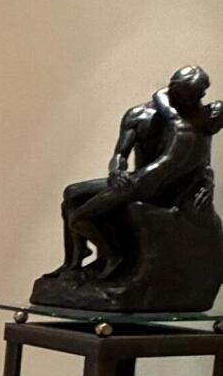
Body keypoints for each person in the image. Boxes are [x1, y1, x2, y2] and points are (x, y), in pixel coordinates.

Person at [59, 66, 223, 281]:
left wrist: (207, 183)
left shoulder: (193, 120)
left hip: (155, 186)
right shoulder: (141, 115)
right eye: (195, 95)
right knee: (71, 194)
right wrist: (116, 171)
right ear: (178, 92)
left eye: (201, 96)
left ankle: (113, 254)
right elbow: (120, 153)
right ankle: (74, 261)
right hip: (138, 180)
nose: (200, 101)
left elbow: (202, 163)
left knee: (78, 215)